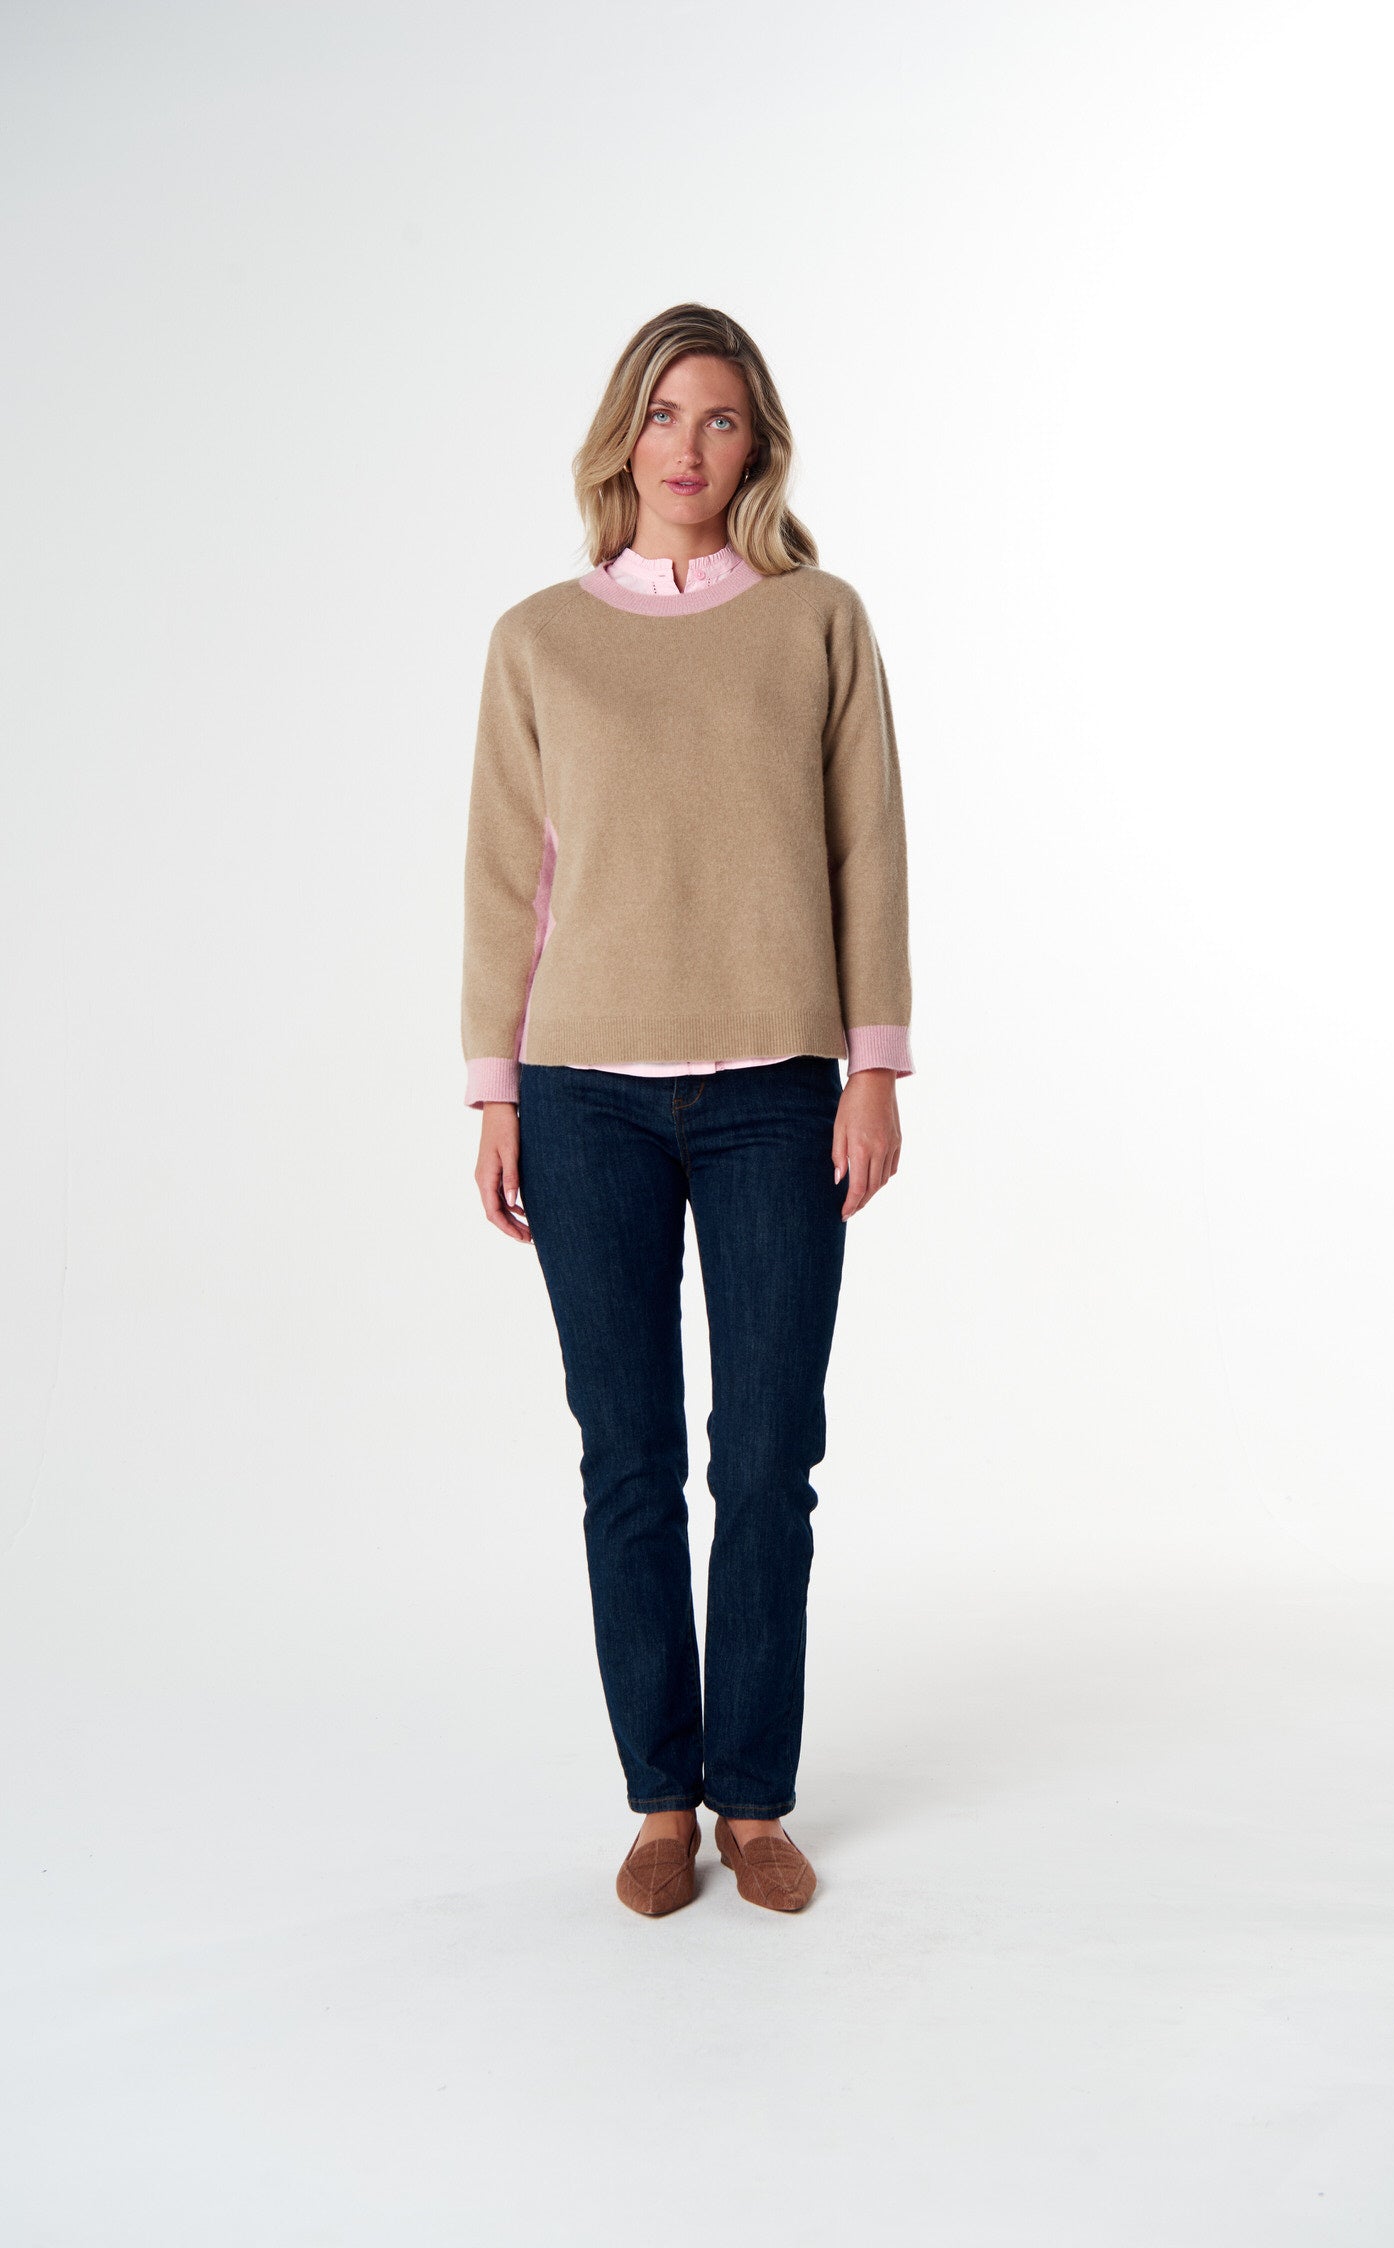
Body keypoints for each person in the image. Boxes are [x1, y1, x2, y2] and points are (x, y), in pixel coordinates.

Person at [461, 302, 914, 1916]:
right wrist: (496, 1092)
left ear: (757, 445)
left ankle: (755, 1798)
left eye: (721, 419)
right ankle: (662, 1799)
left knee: (770, 1456)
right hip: (583, 1094)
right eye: (664, 415)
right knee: (629, 1459)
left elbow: (867, 846)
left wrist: (874, 1066)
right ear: (623, 436)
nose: (689, 448)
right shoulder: (538, 640)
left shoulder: (817, 620)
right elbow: (507, 884)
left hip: (776, 1090)